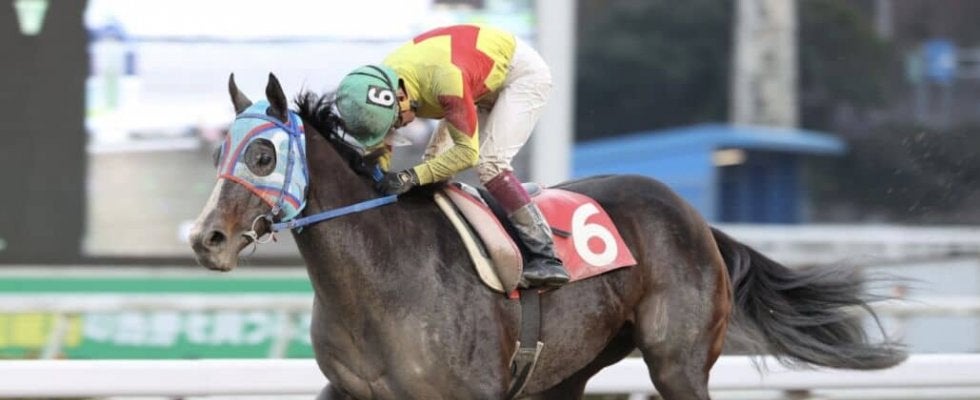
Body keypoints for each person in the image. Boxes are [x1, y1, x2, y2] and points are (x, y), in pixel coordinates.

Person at [334, 24, 570, 289]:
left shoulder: (444, 81)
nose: (398, 128)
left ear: (400, 96)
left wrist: (408, 176)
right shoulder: (382, 84)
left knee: (489, 163)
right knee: (433, 167)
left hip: (518, 76)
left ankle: (546, 256)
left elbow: (466, 154)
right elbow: (380, 149)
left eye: (396, 121)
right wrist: (375, 180)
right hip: (470, 77)